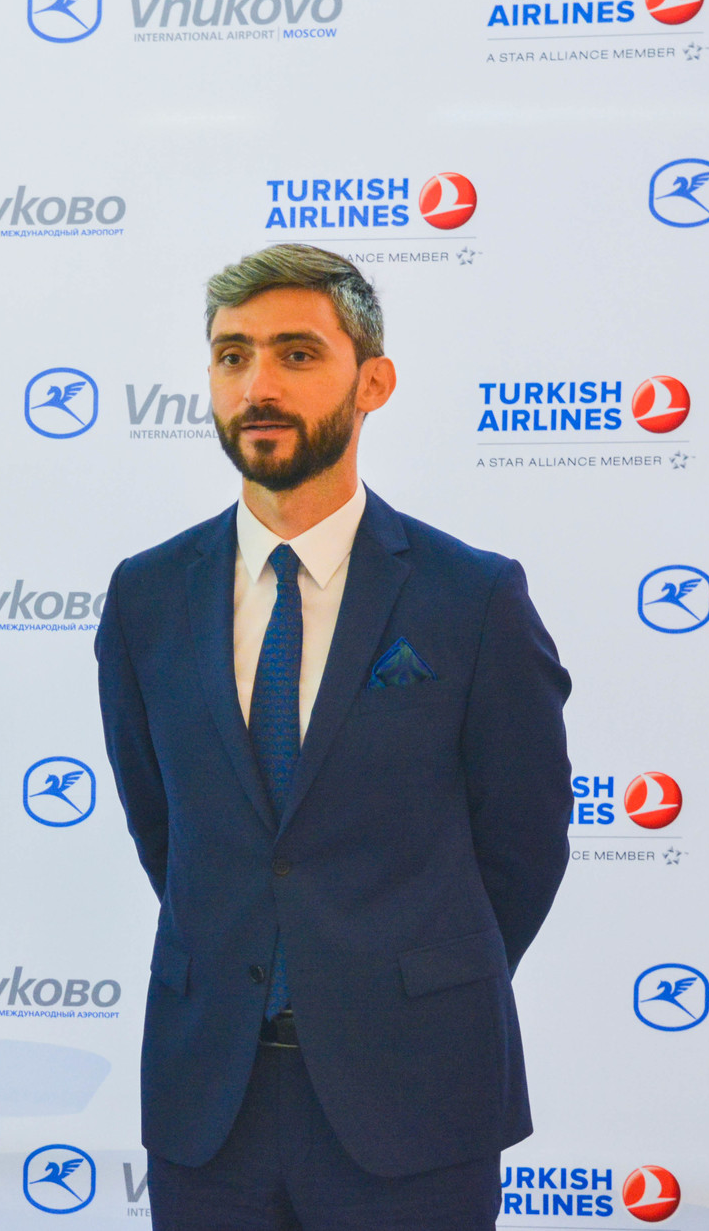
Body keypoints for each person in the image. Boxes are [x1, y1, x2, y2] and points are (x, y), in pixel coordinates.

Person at [94, 246, 572, 1229]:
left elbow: (524, 844)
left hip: (418, 1095)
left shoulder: (471, 597)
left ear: (373, 382)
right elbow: (163, 829)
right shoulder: (147, 596)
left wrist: (408, 981)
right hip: (208, 1099)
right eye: (232, 355)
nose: (257, 386)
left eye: (297, 353)